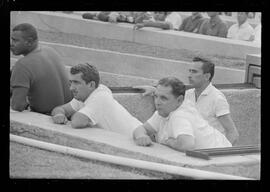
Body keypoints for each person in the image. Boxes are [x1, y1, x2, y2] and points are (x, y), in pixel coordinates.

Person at [133, 57, 239, 145]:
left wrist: (220, 154)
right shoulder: (188, 94)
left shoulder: (217, 99)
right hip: (189, 142)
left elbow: (232, 132)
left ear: (207, 76)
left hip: (209, 148)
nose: (189, 75)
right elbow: (171, 98)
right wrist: (154, 90)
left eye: (194, 72)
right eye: (189, 71)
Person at [133, 77, 232, 151]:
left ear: (179, 100)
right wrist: (141, 136)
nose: (157, 102)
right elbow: (141, 129)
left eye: (163, 98)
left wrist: (169, 142)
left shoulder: (179, 115)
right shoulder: (164, 110)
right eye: (156, 96)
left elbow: (187, 145)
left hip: (222, 158)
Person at [51, 63, 142, 138]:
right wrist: (59, 114)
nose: (71, 88)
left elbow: (77, 122)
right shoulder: (84, 95)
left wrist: (72, 115)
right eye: (70, 82)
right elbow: (60, 109)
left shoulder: (100, 97)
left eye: (76, 83)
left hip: (141, 138)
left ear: (91, 85)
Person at [10, 23, 73, 114]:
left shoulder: (22, 65)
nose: (11, 44)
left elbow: (17, 106)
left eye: (15, 41)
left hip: (48, 117)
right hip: (68, 112)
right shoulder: (50, 51)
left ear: (29, 42)